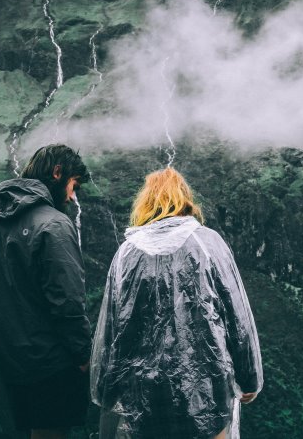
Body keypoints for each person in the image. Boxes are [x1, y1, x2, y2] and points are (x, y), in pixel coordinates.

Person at [91, 167, 263, 439]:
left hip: (144, 390)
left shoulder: (127, 253)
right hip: (208, 386)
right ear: (185, 200)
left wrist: (105, 388)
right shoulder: (209, 243)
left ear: (145, 203)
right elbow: (236, 316)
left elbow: (114, 328)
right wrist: (249, 377)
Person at [0, 144, 92, 439]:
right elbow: (67, 302)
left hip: (11, 357)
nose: (71, 196)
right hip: (51, 359)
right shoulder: (54, 224)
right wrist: (83, 355)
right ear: (57, 173)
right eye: (73, 185)